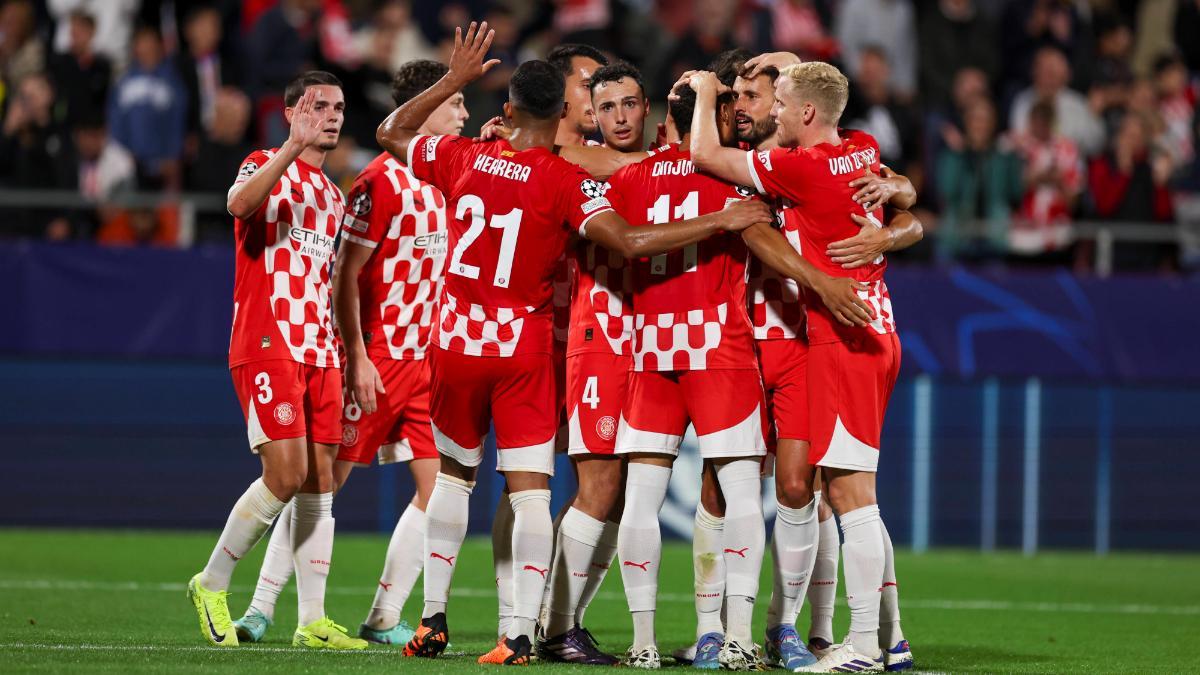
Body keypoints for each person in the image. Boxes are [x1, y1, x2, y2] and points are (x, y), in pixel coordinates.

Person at [374, 22, 774, 666]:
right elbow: (631, 236)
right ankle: (537, 628)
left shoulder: (467, 155)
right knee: (557, 488)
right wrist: (720, 213)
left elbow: (393, 132)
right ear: (566, 109)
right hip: (545, 341)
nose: (609, 112)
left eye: (622, 101)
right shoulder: (569, 176)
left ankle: (441, 618)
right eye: (595, 98)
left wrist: (456, 79)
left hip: (459, 337)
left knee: (468, 478)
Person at [227, 59, 467, 648]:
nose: (464, 113)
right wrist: (356, 355)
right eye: (455, 102)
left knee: (440, 491)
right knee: (319, 486)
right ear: (423, 107)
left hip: (427, 361)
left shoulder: (452, 176)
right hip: (377, 357)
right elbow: (345, 276)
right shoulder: (378, 182)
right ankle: (261, 607)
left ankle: (384, 615)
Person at [687, 60, 913, 673]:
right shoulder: (860, 147)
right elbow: (904, 196)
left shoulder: (797, 165)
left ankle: (862, 643)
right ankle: (887, 641)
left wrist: (705, 90)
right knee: (847, 491)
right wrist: (901, 196)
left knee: (849, 495)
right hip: (872, 328)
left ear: (804, 110)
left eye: (776, 100)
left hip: (843, 338)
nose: (768, 110)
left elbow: (704, 154)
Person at [186, 70, 366, 651]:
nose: (331, 116)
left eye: (338, 107)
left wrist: (350, 353)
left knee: (318, 483)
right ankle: (212, 581)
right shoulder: (264, 161)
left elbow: (332, 282)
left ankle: (311, 620)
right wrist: (290, 147)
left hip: (320, 348)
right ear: (291, 113)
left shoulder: (334, 195)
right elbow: (239, 205)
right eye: (318, 106)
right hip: (269, 340)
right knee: (285, 475)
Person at [536, 60, 655, 666]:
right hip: (601, 335)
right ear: (592, 114)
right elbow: (558, 151)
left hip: (654, 339)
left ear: (647, 106)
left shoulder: (663, 161)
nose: (620, 117)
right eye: (607, 108)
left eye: (629, 104)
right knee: (599, 483)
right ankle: (554, 626)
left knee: (626, 489)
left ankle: (563, 621)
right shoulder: (576, 166)